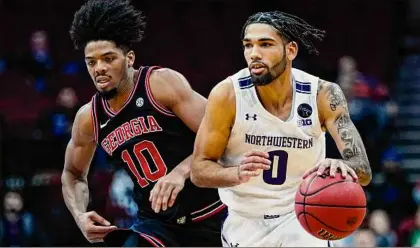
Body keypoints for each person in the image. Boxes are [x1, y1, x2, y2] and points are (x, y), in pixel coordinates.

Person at [190, 11, 372, 247]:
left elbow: (364, 171)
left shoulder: (323, 95)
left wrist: (342, 166)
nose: (254, 54)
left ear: (291, 50)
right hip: (246, 223)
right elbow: (198, 170)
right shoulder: (227, 95)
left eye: (265, 44)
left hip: (303, 219)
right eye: (248, 45)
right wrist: (236, 173)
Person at [61, 0, 225, 246]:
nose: (100, 69)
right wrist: (79, 215)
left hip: (213, 211)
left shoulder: (160, 84)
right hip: (157, 224)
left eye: (108, 59)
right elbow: (72, 173)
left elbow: (221, 135)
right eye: (91, 62)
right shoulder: (89, 117)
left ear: (129, 58)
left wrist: (180, 173)